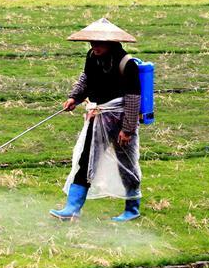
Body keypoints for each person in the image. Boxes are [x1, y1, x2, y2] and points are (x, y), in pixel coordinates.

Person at [49, 18, 143, 222]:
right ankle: (72, 207)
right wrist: (74, 97)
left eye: (98, 43)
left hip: (119, 118)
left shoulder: (127, 64)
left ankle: (132, 208)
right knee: (86, 160)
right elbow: (86, 79)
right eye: (92, 43)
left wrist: (127, 130)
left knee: (126, 163)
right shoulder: (92, 57)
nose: (94, 47)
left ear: (110, 43)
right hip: (98, 115)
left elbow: (133, 99)